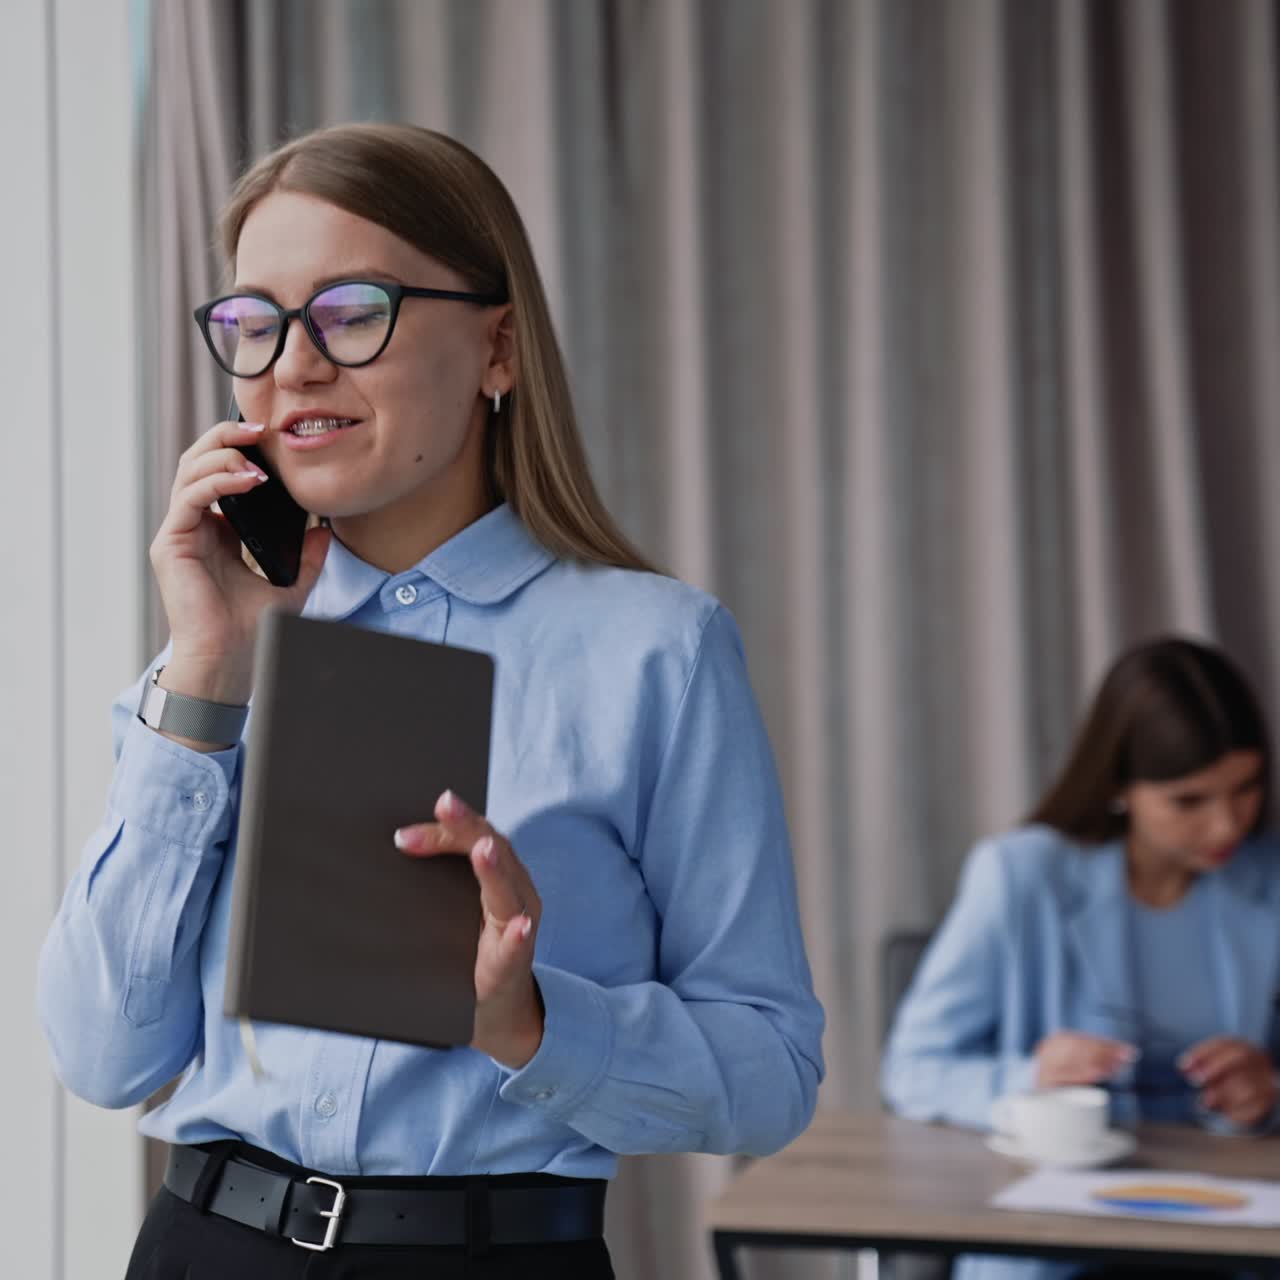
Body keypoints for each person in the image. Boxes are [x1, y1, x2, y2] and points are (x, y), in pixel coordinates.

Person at [38, 122, 825, 1280]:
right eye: (255, 324)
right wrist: (207, 673)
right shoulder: (202, 666)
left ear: (498, 347)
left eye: (351, 311)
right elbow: (101, 1054)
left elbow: (772, 1072)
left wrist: (534, 1022)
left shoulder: (657, 650)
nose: (292, 365)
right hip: (206, 1247)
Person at [881, 636, 1280, 1280]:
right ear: (1121, 785)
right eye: (1190, 800)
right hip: (1058, 1244)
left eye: (1247, 788)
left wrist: (1265, 1095)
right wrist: (1032, 1080)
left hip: (1233, 1240)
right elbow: (913, 1070)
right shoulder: (1020, 877)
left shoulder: (1269, 881)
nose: (1227, 826)